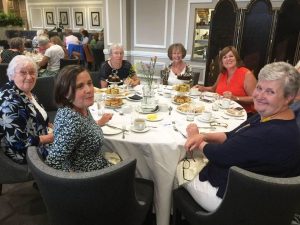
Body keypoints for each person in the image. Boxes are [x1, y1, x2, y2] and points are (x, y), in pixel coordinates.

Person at [184, 61, 300, 212]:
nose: (259, 96)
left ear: (288, 98)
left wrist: (195, 137)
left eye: (270, 92)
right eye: (259, 87)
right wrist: (203, 136)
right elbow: (230, 134)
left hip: (234, 200)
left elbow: (219, 155)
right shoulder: (269, 116)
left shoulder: (270, 133)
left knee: (175, 169)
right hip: (252, 192)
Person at [45, 65, 113, 172]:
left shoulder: (80, 106)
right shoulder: (71, 122)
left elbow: (84, 129)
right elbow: (53, 162)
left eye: (89, 83)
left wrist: (99, 122)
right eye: (80, 86)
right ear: (66, 93)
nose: (89, 90)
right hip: (88, 178)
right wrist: (74, 185)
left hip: (95, 165)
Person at [0, 55, 54, 164]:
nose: (29, 77)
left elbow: (40, 116)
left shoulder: (26, 92)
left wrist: (53, 126)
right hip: (27, 152)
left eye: (32, 72)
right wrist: (50, 138)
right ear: (12, 75)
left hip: (41, 138)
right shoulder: (9, 101)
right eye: (23, 72)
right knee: (73, 150)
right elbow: (18, 142)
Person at [194, 46, 257, 115]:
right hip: (222, 112)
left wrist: (236, 98)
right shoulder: (222, 74)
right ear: (222, 62)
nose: (228, 59)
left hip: (241, 115)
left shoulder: (246, 74)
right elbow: (213, 89)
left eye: (231, 56)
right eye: (225, 57)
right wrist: (203, 88)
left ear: (236, 58)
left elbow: (255, 98)